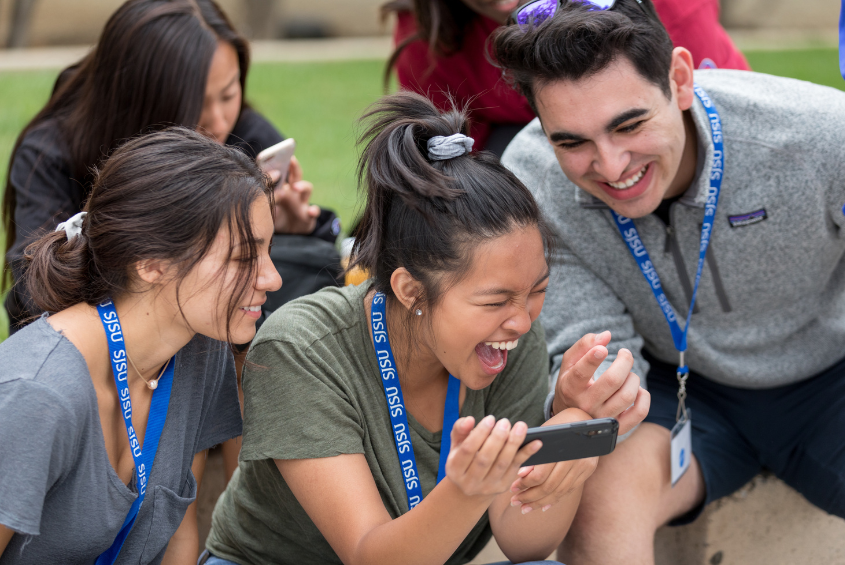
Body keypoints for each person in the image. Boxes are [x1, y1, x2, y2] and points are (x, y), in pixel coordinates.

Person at [201, 92, 649, 565]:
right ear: (411, 290)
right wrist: (468, 489)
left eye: (537, 289)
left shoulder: (512, 342)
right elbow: (370, 556)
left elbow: (526, 544)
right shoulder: (301, 349)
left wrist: (568, 428)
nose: (521, 320)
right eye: (495, 299)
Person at [490, 0, 845, 562]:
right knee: (595, 503)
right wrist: (586, 398)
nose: (609, 165)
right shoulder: (531, 175)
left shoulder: (820, 135)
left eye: (629, 125)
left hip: (830, 380)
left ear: (680, 79)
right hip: (676, 388)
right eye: (571, 142)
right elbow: (588, 346)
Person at [0, 127, 282, 564]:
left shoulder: (198, 347)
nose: (272, 279)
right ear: (151, 264)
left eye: (268, 252)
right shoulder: (38, 394)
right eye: (244, 257)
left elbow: (174, 534)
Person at [3, 0, 339, 337]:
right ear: (137, 101)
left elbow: (305, 280)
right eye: (194, 108)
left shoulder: (245, 136)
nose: (219, 123)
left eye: (228, 93)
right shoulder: (53, 154)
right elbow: (31, 297)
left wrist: (292, 231)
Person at [383, 0, 749, 156]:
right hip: (536, 170)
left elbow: (731, 129)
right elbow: (447, 169)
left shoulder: (669, 11)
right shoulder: (430, 35)